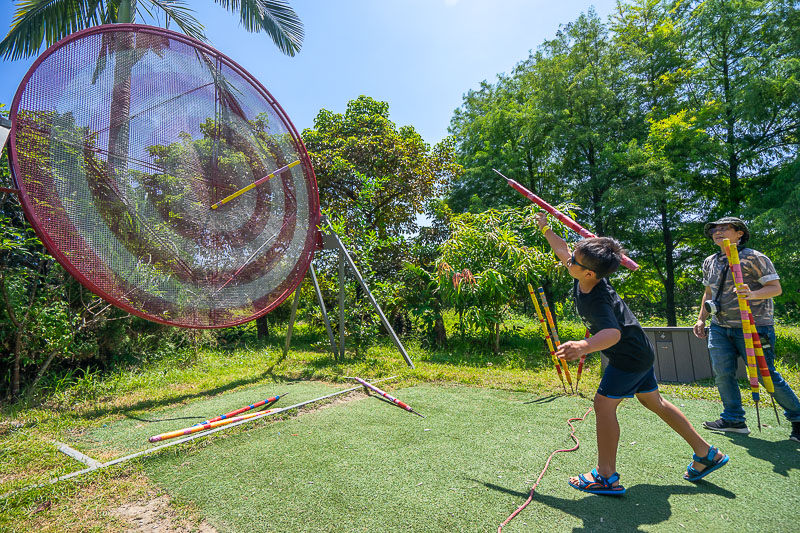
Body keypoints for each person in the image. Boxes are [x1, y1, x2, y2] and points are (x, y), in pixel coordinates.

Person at [535, 211, 728, 495]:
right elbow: (563, 249)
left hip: (628, 358)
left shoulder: (598, 298)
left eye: (574, 260)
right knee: (654, 402)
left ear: (589, 273)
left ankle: (606, 476)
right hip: (638, 351)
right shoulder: (587, 274)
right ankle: (706, 453)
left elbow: (611, 334)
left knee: (603, 405)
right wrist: (545, 230)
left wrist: (583, 346)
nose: (568, 261)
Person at [692, 217, 800, 441]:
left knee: (765, 374)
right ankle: (734, 419)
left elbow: (775, 288)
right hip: (720, 326)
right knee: (723, 374)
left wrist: (752, 294)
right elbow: (709, 293)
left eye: (725, 228)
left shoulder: (754, 257)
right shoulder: (710, 261)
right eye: (715, 229)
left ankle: (798, 417)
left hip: (754, 325)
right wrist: (701, 319)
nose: (718, 232)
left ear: (739, 233)